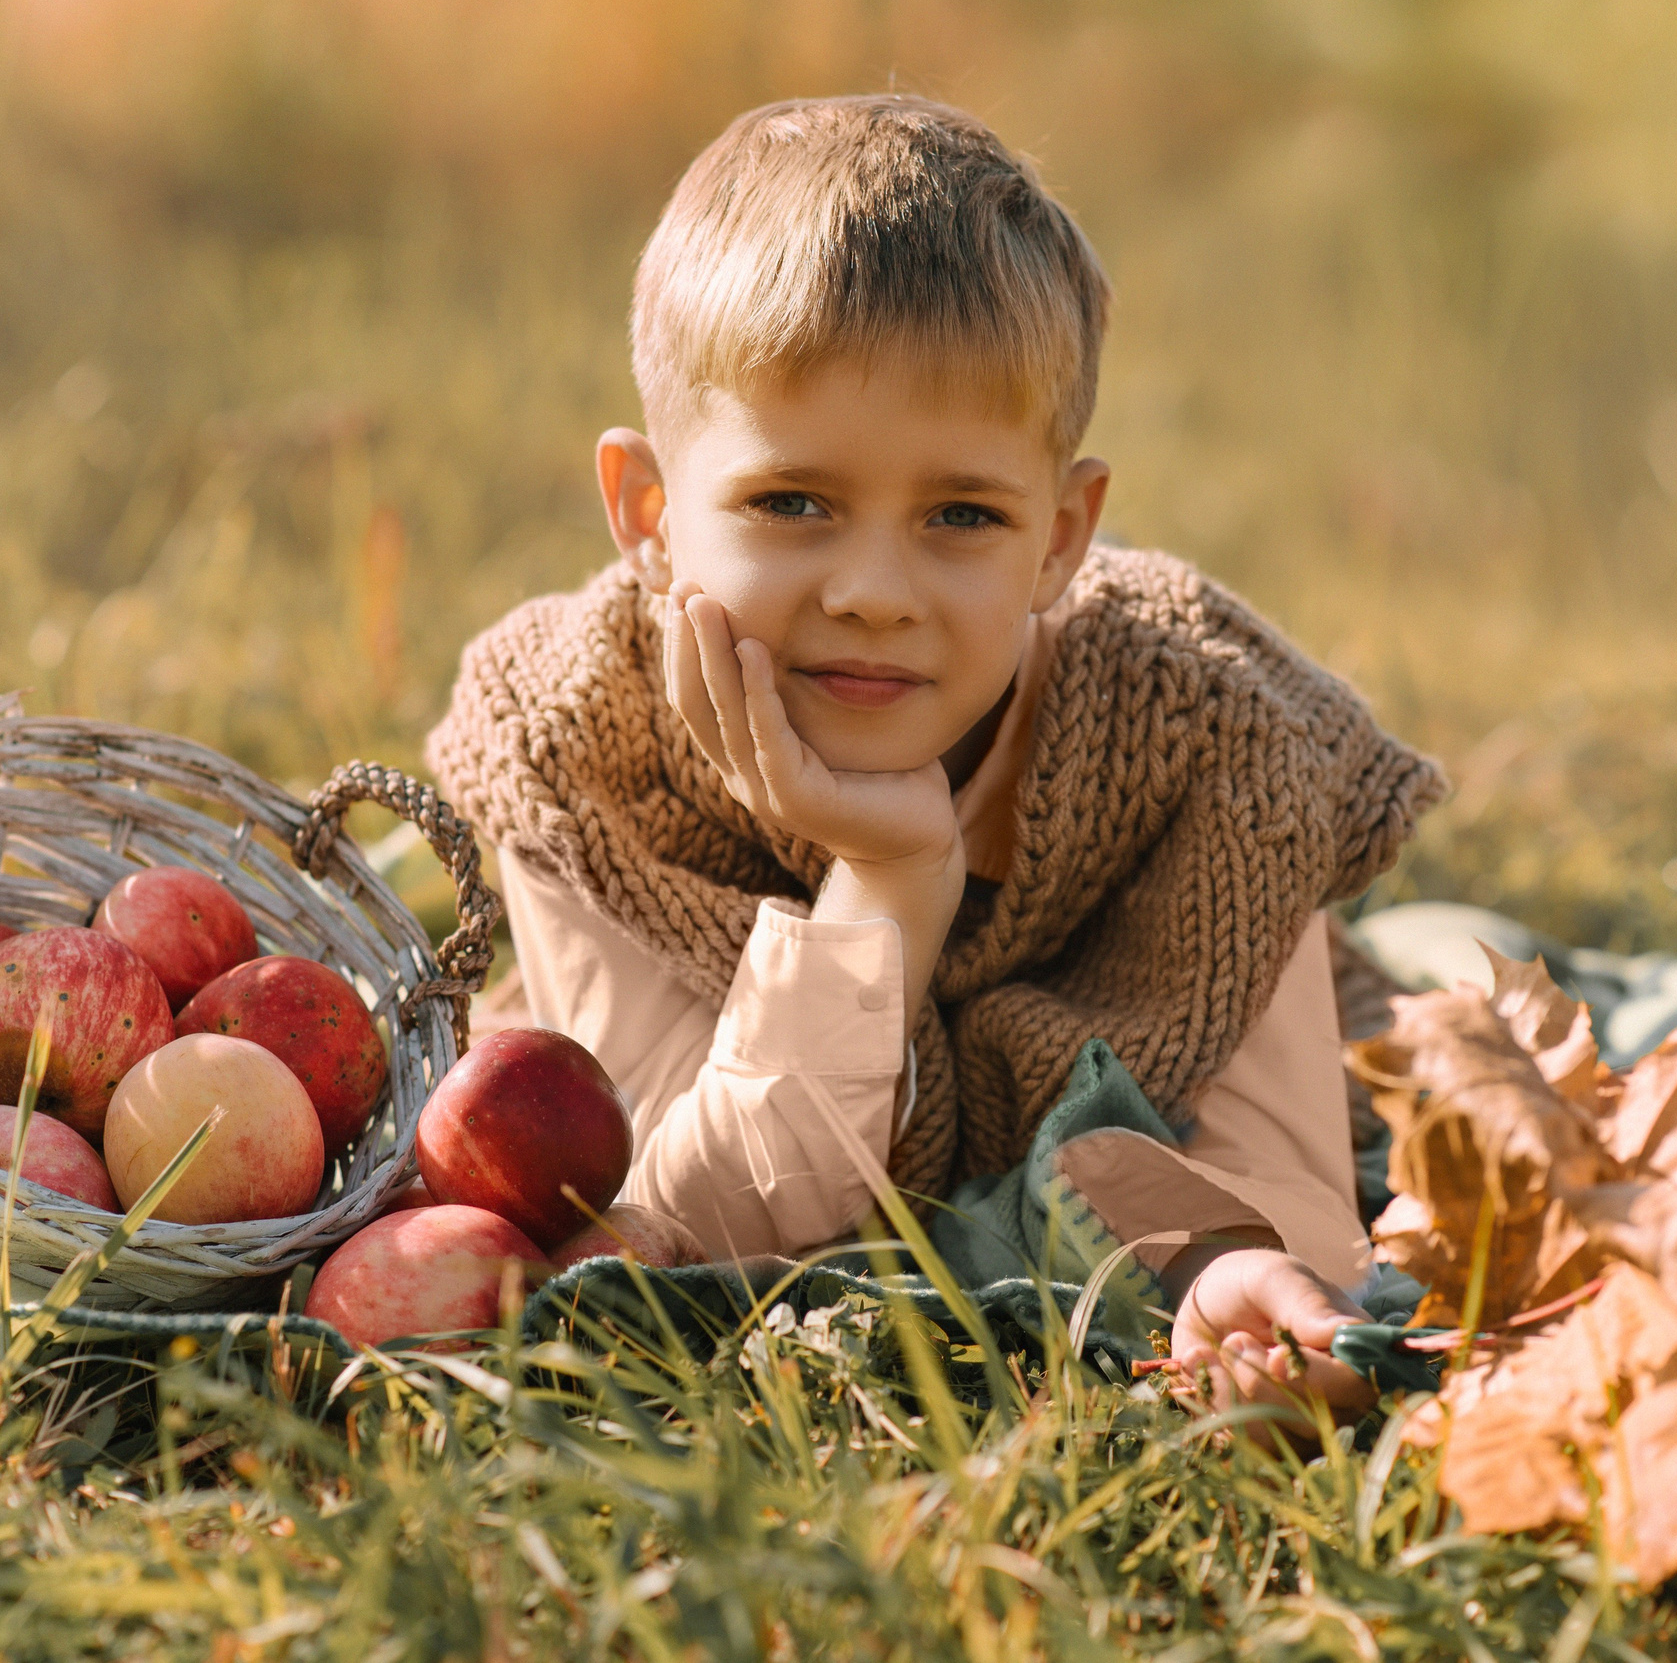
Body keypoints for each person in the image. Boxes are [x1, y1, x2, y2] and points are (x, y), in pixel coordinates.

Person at [426, 94, 1445, 1426]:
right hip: (777, 1066)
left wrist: (1234, 1265)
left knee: (1406, 1031)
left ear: (1063, 535)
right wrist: (889, 881)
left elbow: (1281, 1179)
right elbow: (695, 1212)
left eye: (962, 514)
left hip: (1132, 977)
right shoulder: (579, 743)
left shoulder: (1224, 741)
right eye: (794, 502)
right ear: (650, 515)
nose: (874, 591)